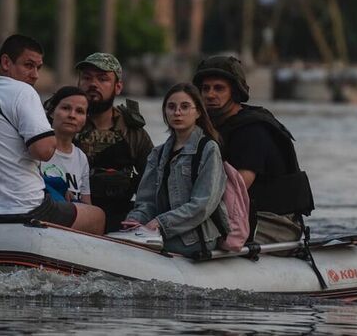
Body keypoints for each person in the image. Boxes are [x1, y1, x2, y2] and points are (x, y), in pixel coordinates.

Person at [0, 34, 104, 234]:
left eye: (38, 68)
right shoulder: (22, 91)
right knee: (96, 216)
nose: (35, 75)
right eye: (28, 65)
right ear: (6, 62)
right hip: (23, 210)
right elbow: (44, 151)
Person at [193, 56, 314, 244]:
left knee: (193, 233)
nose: (209, 94)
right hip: (231, 214)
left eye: (219, 88)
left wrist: (188, 213)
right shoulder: (206, 129)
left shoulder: (252, 130)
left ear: (235, 92)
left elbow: (238, 187)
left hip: (274, 222)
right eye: (205, 88)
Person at [123, 83, 227, 256]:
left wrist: (160, 223)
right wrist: (135, 220)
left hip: (195, 237)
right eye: (171, 107)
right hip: (160, 231)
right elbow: (147, 201)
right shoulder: (158, 153)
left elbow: (202, 205)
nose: (177, 112)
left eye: (185, 107)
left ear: (198, 112)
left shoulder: (209, 149)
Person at [74, 52, 153, 232]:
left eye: (103, 79)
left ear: (118, 87)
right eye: (87, 78)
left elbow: (153, 181)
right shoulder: (65, 123)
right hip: (72, 214)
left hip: (119, 218)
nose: (93, 84)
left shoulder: (133, 133)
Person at [40, 86, 92, 205]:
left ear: (85, 120)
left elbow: (87, 204)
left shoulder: (81, 157)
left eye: (79, 111)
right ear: (52, 112)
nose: (72, 115)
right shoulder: (37, 148)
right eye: (65, 108)